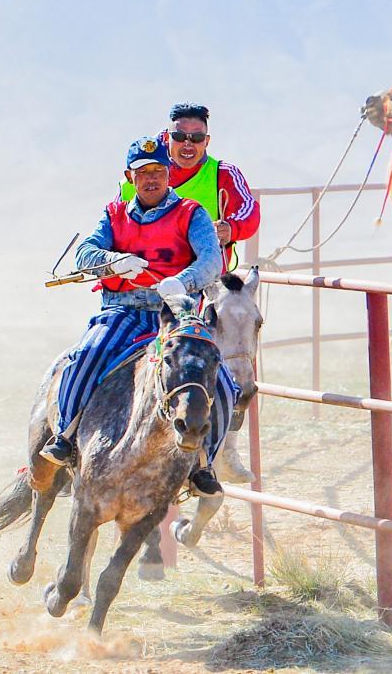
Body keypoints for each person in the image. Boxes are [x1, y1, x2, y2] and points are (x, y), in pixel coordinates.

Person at [42, 136, 239, 498]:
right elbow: (85, 252)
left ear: (169, 174)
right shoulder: (113, 214)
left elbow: (212, 260)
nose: (152, 179)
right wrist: (113, 261)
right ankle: (65, 436)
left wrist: (183, 281)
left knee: (223, 380)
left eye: (159, 171)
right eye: (143, 172)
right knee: (85, 356)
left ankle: (204, 464)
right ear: (129, 177)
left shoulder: (191, 214)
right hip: (123, 309)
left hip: (176, 314)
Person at [118, 103, 260, 271]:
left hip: (206, 283)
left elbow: (249, 211)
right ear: (166, 137)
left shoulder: (223, 174)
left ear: (206, 141)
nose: (188, 144)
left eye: (197, 138)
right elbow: (110, 230)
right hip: (146, 282)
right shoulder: (135, 178)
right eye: (179, 136)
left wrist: (230, 228)